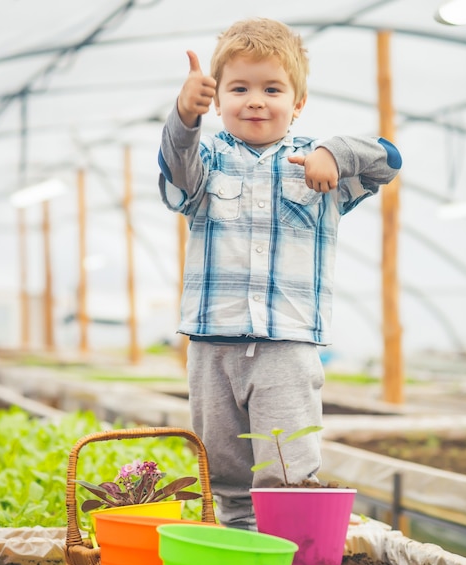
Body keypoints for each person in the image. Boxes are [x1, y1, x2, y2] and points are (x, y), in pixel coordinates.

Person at [158, 17, 402, 530]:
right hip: (212, 344)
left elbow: (389, 159)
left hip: (286, 346)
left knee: (287, 466)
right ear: (218, 99)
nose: (255, 101)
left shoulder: (317, 163)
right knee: (224, 467)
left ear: (297, 103)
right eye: (239, 88)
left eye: (272, 88)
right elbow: (176, 170)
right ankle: (243, 549)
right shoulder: (207, 159)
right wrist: (183, 117)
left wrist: (333, 151)